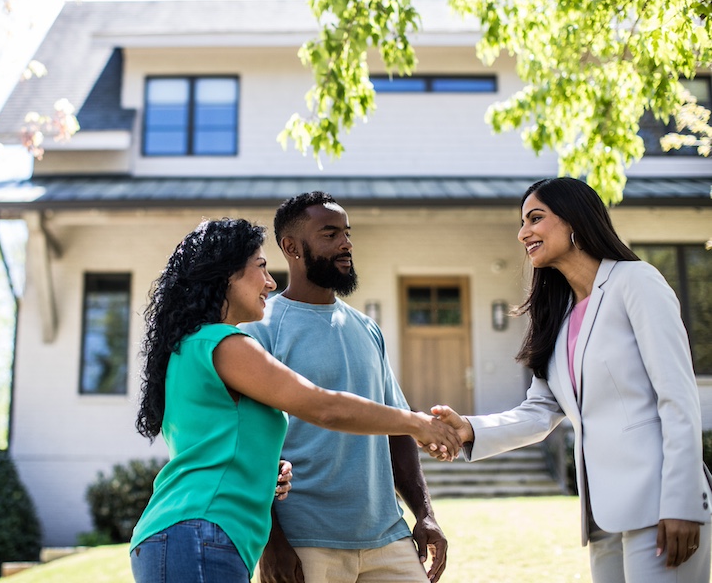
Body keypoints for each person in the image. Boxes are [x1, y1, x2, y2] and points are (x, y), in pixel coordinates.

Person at [129, 218, 460, 583]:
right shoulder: (226, 345)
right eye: (261, 268)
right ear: (226, 275)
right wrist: (417, 423)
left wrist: (265, 470)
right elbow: (323, 407)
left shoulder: (191, 347)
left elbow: (214, 445)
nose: (270, 282)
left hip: (190, 533)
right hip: (199, 532)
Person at [431, 176, 711, 583]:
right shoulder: (558, 318)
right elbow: (541, 411)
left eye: (535, 218)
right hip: (602, 516)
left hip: (661, 504)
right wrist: (470, 428)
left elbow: (677, 396)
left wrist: (683, 501)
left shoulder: (637, 282)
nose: (523, 232)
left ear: (574, 219)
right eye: (522, 222)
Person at [241, 192, 450, 583]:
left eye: (347, 233)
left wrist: (424, 513)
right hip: (306, 541)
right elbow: (252, 440)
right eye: (330, 234)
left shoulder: (366, 327)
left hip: (387, 535)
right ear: (291, 247)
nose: (346, 244)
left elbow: (397, 428)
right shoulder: (261, 328)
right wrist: (273, 542)